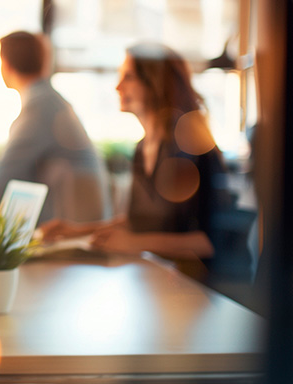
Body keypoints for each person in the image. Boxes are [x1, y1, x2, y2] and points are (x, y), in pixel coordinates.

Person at [40, 43, 235, 282]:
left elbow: (207, 243)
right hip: (161, 279)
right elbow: (138, 222)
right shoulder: (143, 148)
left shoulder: (189, 145)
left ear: (155, 83)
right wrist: (75, 231)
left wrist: (135, 243)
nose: (117, 86)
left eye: (128, 77)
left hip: (202, 289)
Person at [0, 31, 110, 224]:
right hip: (73, 226)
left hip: (67, 236)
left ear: (5, 65)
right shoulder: (49, 101)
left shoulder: (40, 108)